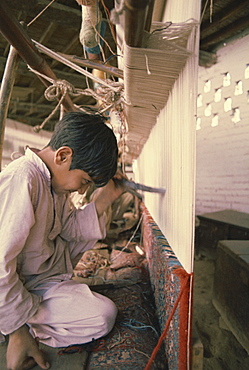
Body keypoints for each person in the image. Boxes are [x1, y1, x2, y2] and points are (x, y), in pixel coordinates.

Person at [0, 111, 126, 370]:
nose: (81, 190)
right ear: (63, 156)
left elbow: (69, 230)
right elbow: (1, 263)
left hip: (41, 279)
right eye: (85, 181)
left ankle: (21, 318)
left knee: (101, 312)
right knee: (103, 316)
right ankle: (17, 325)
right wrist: (16, 330)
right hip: (20, 285)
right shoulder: (23, 178)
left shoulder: (52, 181)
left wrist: (104, 198)